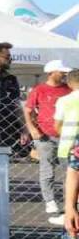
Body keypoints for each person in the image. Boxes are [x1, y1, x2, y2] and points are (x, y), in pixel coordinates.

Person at [26, 60, 72, 216]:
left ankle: (69, 200)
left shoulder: (69, 89)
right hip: (45, 135)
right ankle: (50, 201)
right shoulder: (39, 90)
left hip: (67, 136)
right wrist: (32, 128)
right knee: (47, 168)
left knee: (70, 169)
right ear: (51, 72)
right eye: (62, 72)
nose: (64, 74)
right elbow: (28, 110)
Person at [52, 70, 79, 226]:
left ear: (69, 83)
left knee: (70, 178)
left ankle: (70, 210)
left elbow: (57, 124)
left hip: (68, 143)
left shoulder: (64, 100)